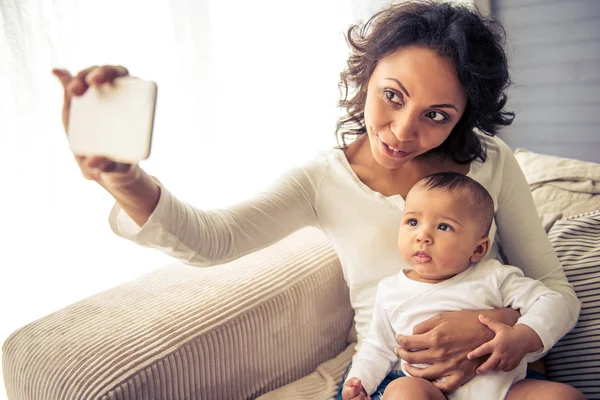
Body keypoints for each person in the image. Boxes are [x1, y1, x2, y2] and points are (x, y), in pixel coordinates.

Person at [51, 0, 582, 398]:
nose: (400, 131)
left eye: (436, 115)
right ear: (366, 76)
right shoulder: (322, 180)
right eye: (392, 96)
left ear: (463, 115)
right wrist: (122, 177)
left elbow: (554, 289)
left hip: (495, 370)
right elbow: (212, 241)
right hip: (399, 376)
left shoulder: (492, 161)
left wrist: (500, 328)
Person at [341, 172, 585, 400]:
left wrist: (524, 336)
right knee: (404, 391)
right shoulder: (391, 289)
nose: (422, 235)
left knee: (564, 395)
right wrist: (359, 381)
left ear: (478, 249)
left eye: (444, 227)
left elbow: (553, 302)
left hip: (505, 388)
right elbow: (377, 347)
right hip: (429, 389)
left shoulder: (493, 276)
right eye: (413, 221)